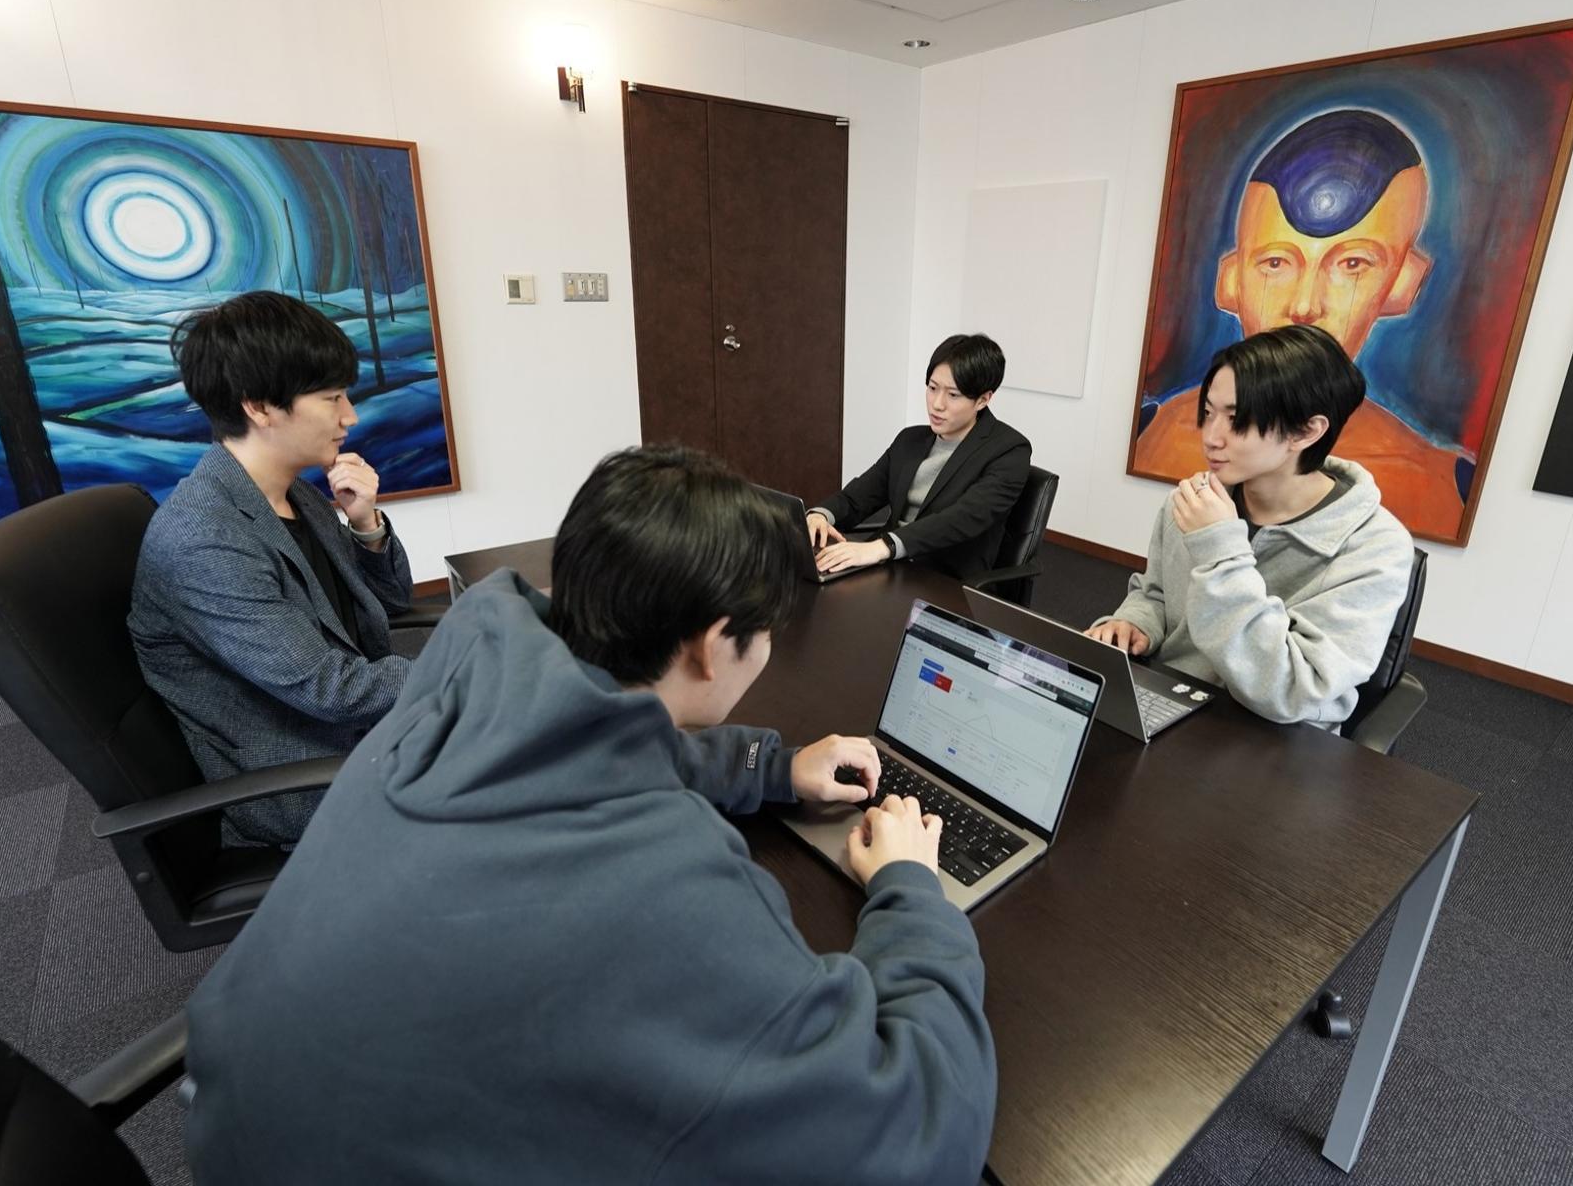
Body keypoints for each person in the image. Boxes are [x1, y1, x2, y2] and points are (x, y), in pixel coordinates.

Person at [183, 445, 999, 1186]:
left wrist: (775, 767)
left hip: (243, 1124)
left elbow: (590, 739)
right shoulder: (670, 884)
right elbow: (920, 1142)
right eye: (766, 637)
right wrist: (910, 891)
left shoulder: (471, 668)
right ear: (713, 645)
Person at [129, 291, 413, 847]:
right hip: (305, 776)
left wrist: (365, 524)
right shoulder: (203, 539)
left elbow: (390, 603)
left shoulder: (295, 495)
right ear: (259, 407)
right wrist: (464, 671)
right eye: (332, 398)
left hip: (356, 726)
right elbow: (328, 689)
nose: (351, 416)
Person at [1131, 109, 1471, 534]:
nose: (1306, 306)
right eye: (1275, 263)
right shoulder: (1153, 433)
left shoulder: (1442, 485)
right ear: (1230, 280)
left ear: (1404, 282)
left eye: (1352, 264)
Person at [1092, 324, 1412, 728]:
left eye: (1237, 419)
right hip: (1174, 700)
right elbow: (1156, 593)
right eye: (1208, 413)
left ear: (1307, 431)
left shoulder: (1374, 547)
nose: (1211, 437)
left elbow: (1292, 689)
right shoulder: (1194, 502)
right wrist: (1134, 621)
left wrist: (1220, 550)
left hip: (1278, 734)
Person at [810, 333, 1030, 579]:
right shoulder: (910, 440)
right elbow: (858, 497)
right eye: (932, 388)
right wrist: (821, 515)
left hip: (944, 579)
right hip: (888, 565)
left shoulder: (1009, 450)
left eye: (953, 395)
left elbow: (961, 519)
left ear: (983, 400)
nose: (937, 404)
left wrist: (884, 546)